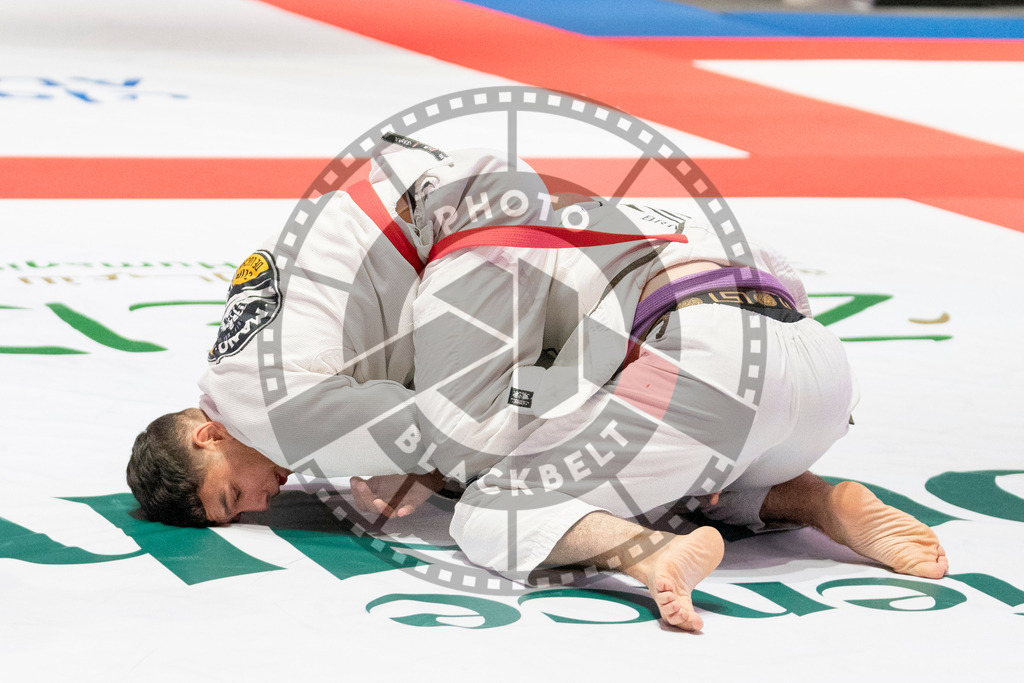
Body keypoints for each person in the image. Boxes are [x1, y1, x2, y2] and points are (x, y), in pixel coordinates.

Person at [127, 137, 946, 632]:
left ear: (205, 432)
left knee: (493, 509)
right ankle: (804, 496)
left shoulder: (249, 395)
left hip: (710, 378)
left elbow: (450, 435)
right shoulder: (547, 229)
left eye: (231, 497)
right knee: (589, 439)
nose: (262, 503)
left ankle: (652, 551)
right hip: (822, 375)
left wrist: (420, 464)